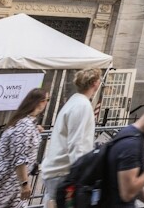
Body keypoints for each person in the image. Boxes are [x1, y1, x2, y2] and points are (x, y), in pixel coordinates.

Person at [40, 68, 102, 207]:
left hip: (57, 170)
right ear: (94, 83)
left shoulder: (74, 101)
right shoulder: (82, 105)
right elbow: (77, 143)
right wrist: (83, 175)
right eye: (99, 80)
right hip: (63, 172)